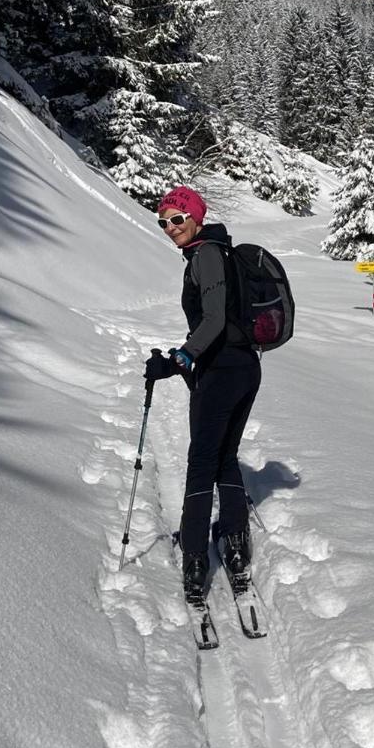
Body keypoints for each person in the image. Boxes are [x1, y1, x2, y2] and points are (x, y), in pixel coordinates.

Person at [145, 185, 261, 599]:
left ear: (195, 216)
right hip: (245, 367)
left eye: (177, 218)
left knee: (202, 461)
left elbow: (211, 321)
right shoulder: (216, 252)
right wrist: (184, 358)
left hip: (223, 371)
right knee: (225, 456)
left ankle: (194, 554)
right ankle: (234, 542)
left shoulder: (207, 255)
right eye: (163, 221)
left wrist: (180, 359)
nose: (170, 227)